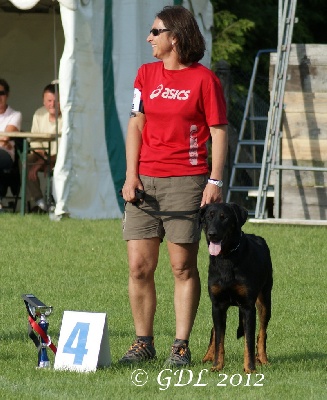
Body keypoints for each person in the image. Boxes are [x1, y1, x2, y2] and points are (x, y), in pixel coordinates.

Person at [119, 5, 228, 366]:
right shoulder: (145, 74)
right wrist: (130, 175)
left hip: (187, 180)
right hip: (144, 181)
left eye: (155, 31)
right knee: (138, 267)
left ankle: (180, 345)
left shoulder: (204, 80)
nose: (149, 38)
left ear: (174, 37)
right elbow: (136, 125)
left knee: (182, 266)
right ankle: (142, 342)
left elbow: (218, 131)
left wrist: (214, 179)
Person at [27, 83, 62, 213]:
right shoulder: (39, 114)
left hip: (59, 157)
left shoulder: (67, 117)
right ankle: (39, 202)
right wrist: (41, 161)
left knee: (61, 161)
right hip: (44, 156)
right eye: (49, 101)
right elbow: (35, 144)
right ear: (43, 101)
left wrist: (45, 162)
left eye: (56, 101)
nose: (52, 104)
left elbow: (65, 149)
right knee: (25, 161)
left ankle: (54, 201)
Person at [0, 78, 22, 207]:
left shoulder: (15, 115)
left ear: (7, 95)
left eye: (1, 93)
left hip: (6, 154)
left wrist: (4, 140)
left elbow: (5, 138)